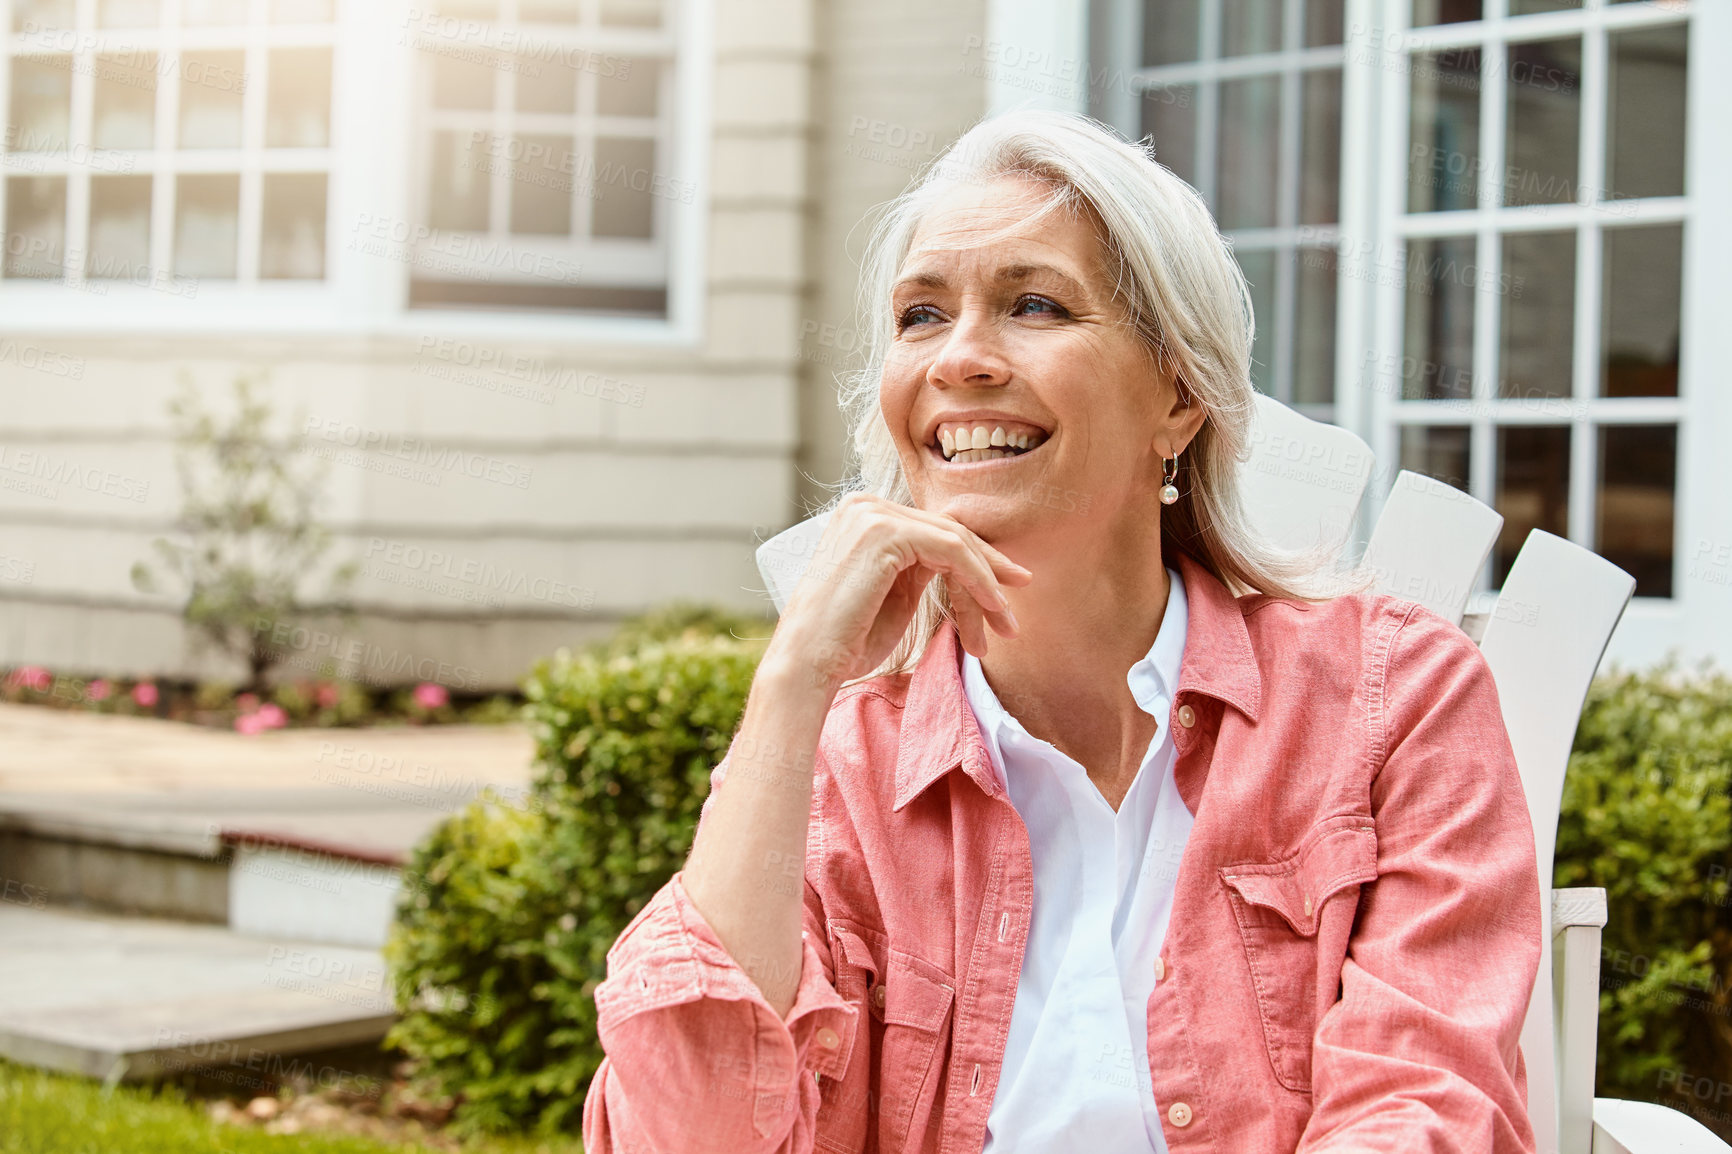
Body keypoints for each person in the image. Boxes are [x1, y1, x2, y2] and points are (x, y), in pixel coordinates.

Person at [581, 110, 1542, 1154]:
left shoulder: (1390, 700)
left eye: (1032, 303)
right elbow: (690, 1132)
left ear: (1178, 395)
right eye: (920, 314)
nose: (961, 358)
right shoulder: (841, 769)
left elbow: (1422, 1102)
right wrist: (790, 687)